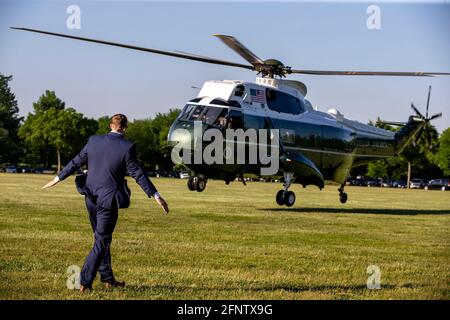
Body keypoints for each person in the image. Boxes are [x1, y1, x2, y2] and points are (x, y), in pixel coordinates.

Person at [42, 114, 169, 292]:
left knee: (101, 239)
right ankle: (84, 281)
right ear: (124, 128)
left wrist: (57, 178)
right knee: (102, 241)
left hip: (90, 198)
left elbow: (76, 161)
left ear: (110, 125)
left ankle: (108, 278)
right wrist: (156, 195)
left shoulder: (94, 141)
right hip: (108, 201)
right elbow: (137, 173)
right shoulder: (128, 146)